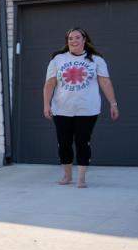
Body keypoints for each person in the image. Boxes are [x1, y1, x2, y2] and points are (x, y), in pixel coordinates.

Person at [42, 27, 119, 188]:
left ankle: (81, 178)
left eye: (77, 37)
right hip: (61, 109)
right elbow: (50, 83)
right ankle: (67, 175)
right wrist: (46, 104)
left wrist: (113, 103)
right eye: (70, 38)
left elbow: (105, 82)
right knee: (64, 143)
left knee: (83, 142)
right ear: (67, 41)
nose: (74, 41)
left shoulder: (96, 60)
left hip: (87, 109)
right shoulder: (58, 59)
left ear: (85, 40)